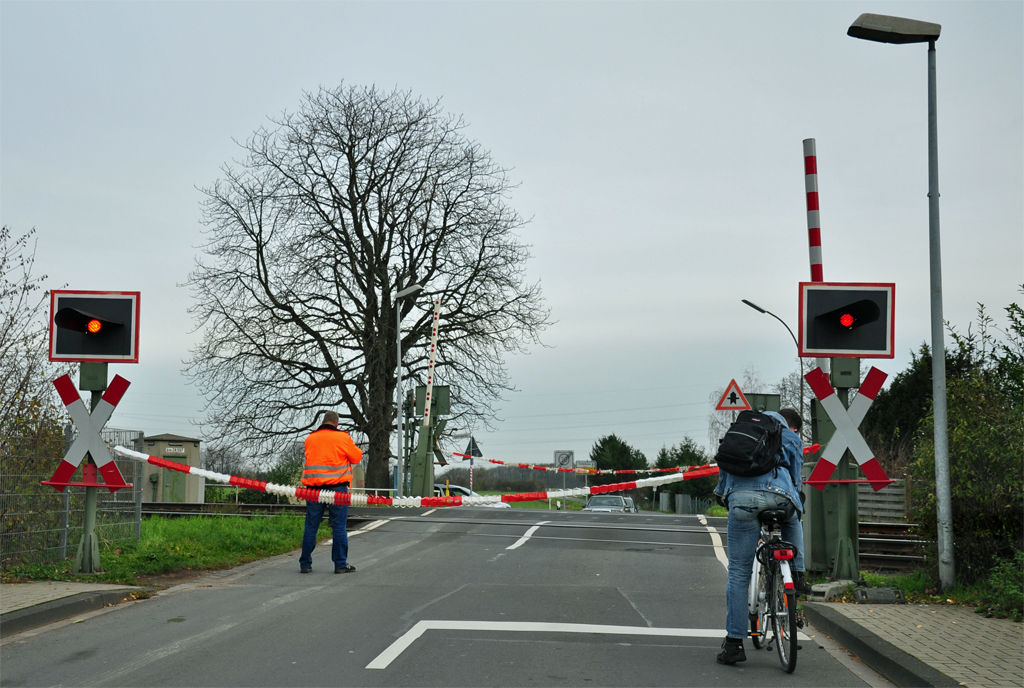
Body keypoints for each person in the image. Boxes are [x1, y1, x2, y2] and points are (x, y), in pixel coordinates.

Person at [713, 407, 810, 665]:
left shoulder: (740, 430)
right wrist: (795, 495)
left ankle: (734, 644)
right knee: (793, 516)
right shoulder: (789, 435)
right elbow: (796, 474)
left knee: (738, 573)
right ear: (793, 426)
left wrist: (725, 495)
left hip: (742, 501)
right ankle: (798, 575)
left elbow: (726, 463)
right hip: (779, 496)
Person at [299, 410, 363, 574]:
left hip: (313, 488)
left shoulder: (310, 438)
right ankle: (340, 564)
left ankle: (305, 564)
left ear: (323, 422)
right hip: (337, 488)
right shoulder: (343, 437)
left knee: (311, 526)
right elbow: (356, 457)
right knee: (339, 527)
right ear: (336, 423)